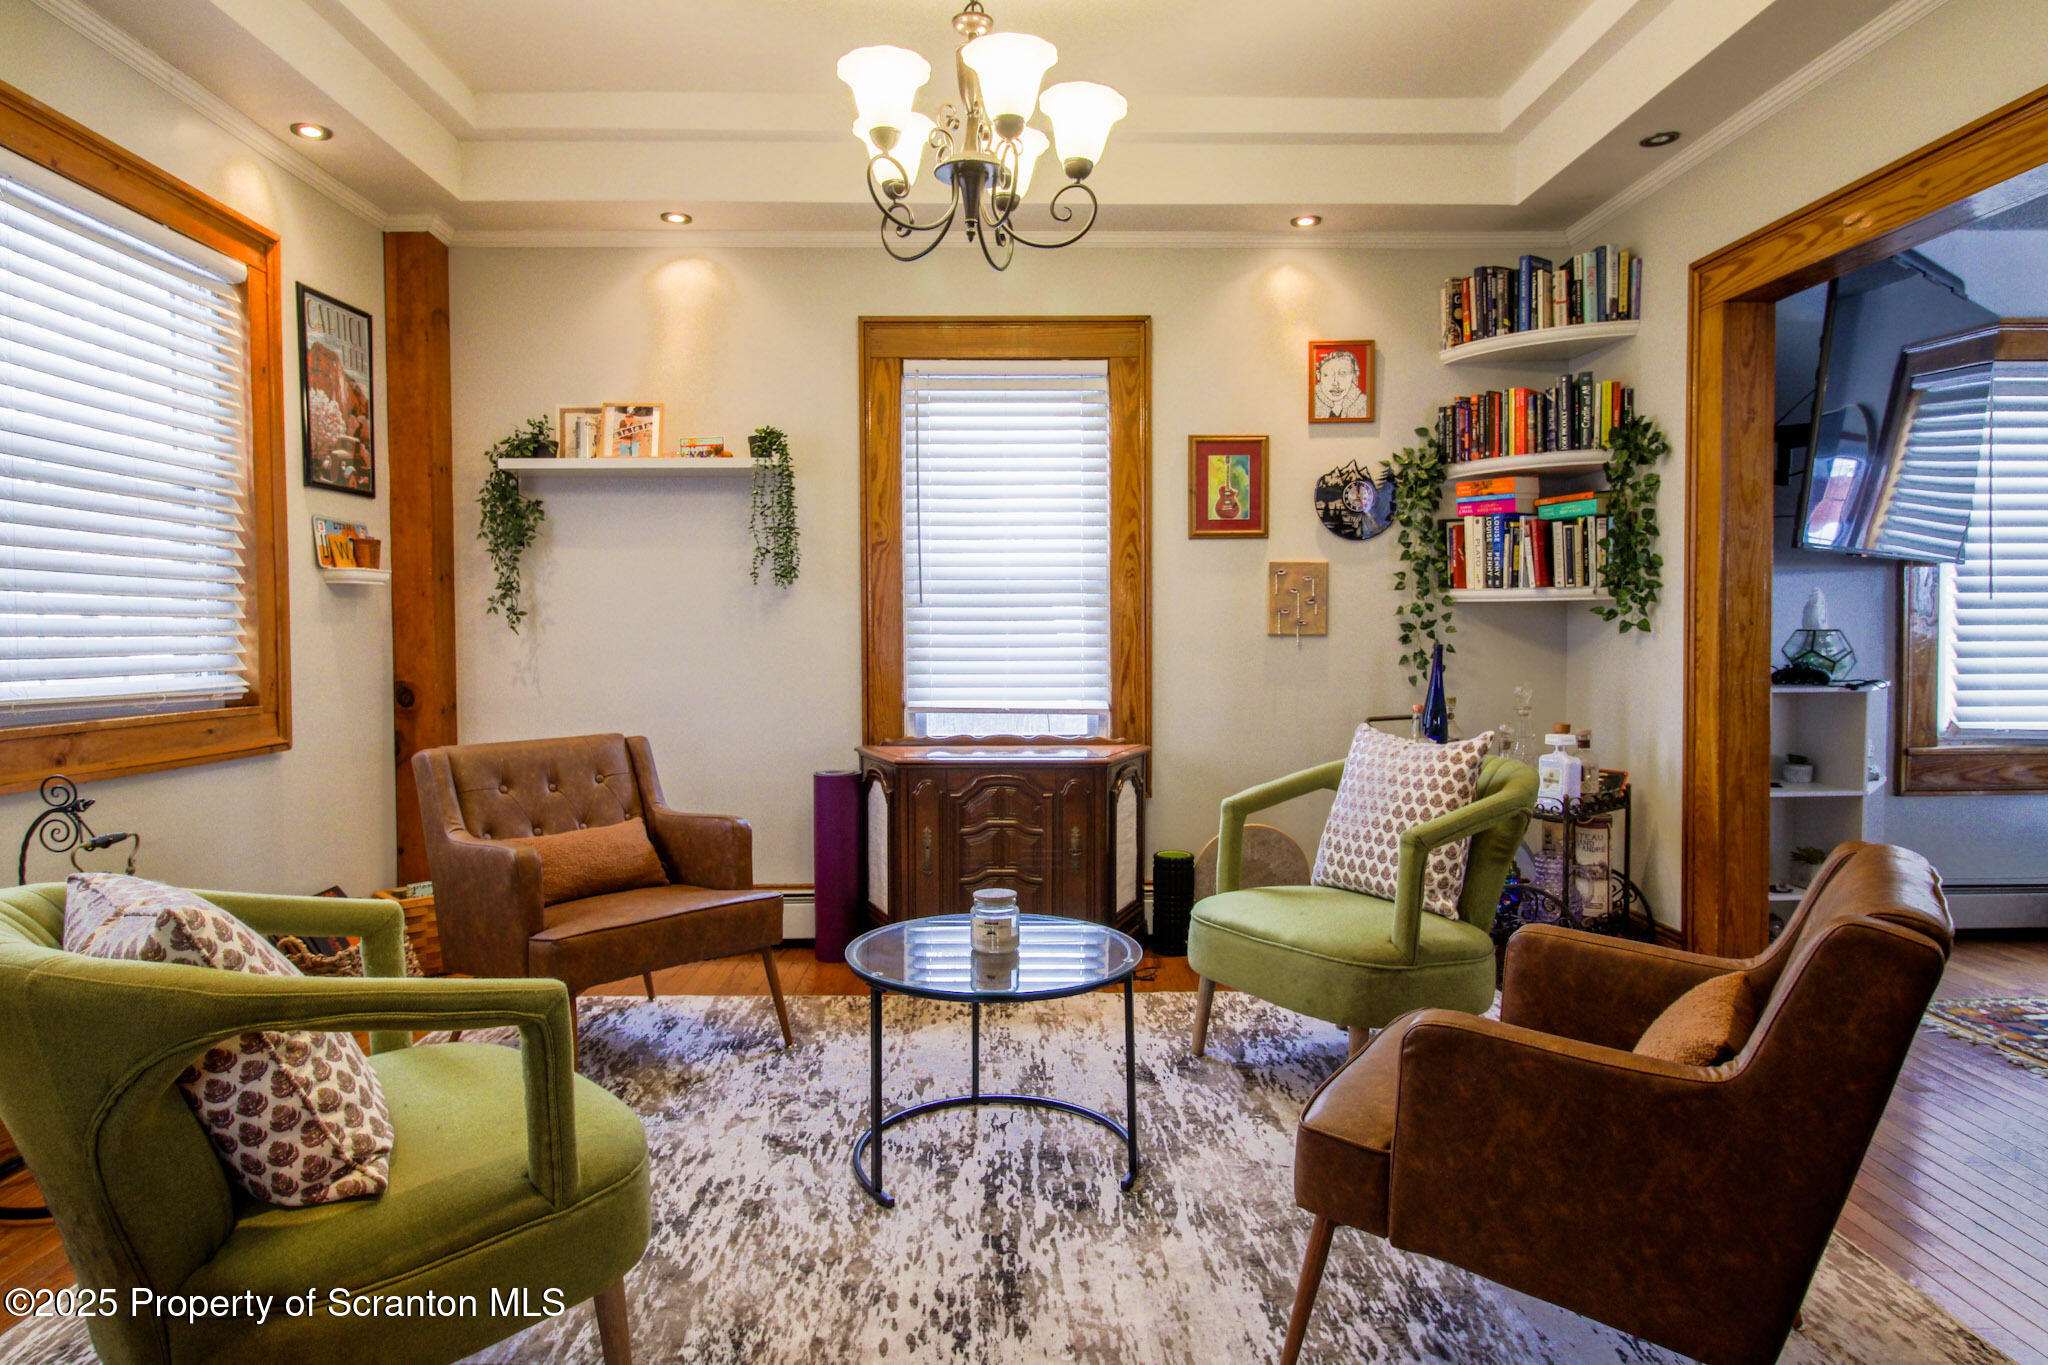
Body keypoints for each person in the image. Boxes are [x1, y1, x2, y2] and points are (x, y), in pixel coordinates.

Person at [1313, 348, 1372, 419]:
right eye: (1328, 375)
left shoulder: (1364, 404)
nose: (1335, 383)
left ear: (1353, 375)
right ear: (1319, 376)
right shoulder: (1312, 404)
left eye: (1342, 374)